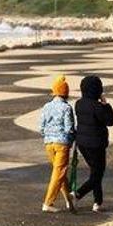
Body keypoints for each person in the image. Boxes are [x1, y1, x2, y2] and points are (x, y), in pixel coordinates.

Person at [71, 75, 113, 212]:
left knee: (95, 171)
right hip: (96, 144)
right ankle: (77, 194)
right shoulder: (97, 107)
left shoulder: (78, 104)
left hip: (83, 143)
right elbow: (110, 121)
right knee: (98, 174)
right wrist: (106, 104)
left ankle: (98, 202)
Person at [38, 75, 75, 213]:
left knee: (60, 173)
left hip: (48, 143)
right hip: (62, 143)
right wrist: (71, 140)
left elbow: (41, 127)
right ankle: (48, 203)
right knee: (59, 172)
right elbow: (69, 128)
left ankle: (69, 201)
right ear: (66, 93)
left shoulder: (46, 107)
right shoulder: (66, 108)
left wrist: (47, 135)